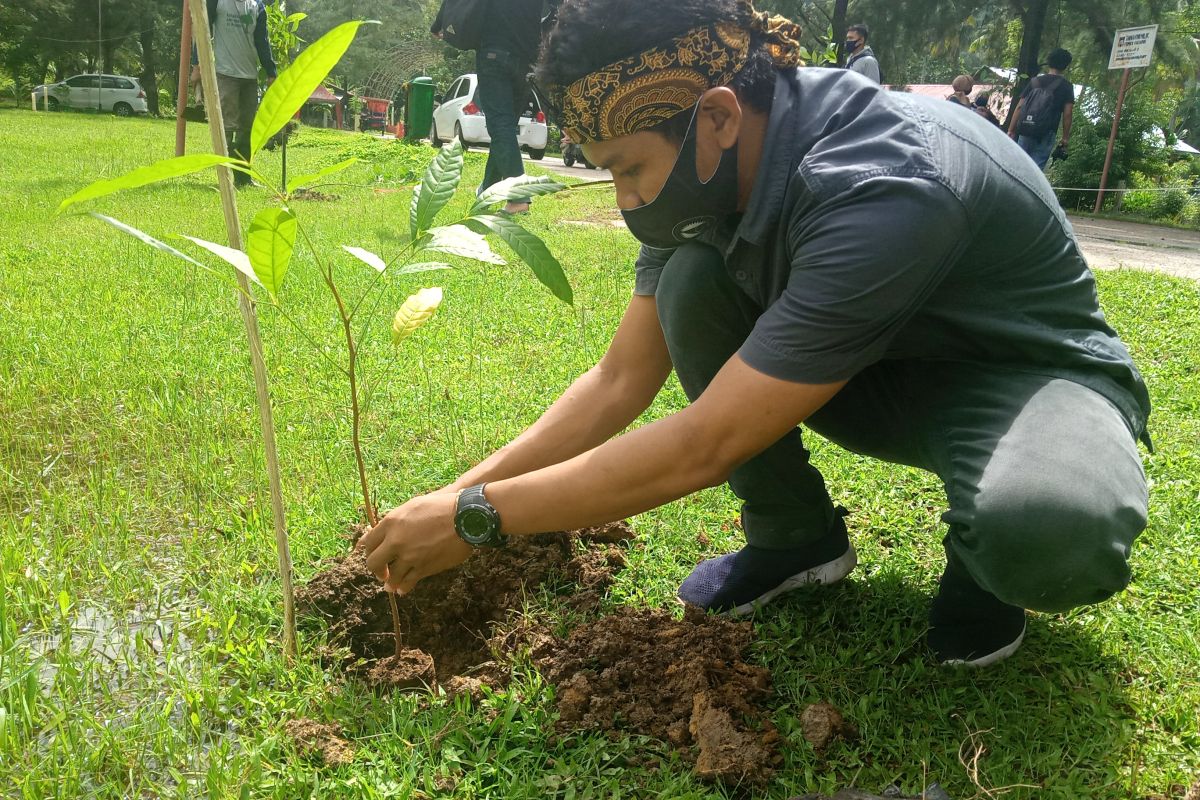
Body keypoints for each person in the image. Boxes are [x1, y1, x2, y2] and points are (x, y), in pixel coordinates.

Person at [360, 0, 1151, 669]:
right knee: (691, 280)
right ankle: (793, 541)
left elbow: (705, 443)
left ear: (716, 116)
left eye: (630, 169)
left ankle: (989, 569)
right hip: (865, 368)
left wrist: (477, 518)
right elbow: (617, 382)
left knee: (1047, 526)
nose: (628, 200)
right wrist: (456, 492)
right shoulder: (708, 173)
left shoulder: (881, 182)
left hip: (1025, 381)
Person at [432, 0, 543, 214]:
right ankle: (489, 190)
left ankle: (519, 197)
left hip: (495, 52)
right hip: (528, 60)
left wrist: (439, 24)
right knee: (505, 129)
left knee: (500, 126)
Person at [203, 0, 276, 188]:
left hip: (249, 77)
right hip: (225, 74)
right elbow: (203, 30)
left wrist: (271, 71)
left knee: (247, 129)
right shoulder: (218, 2)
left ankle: (243, 178)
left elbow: (262, 41)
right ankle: (223, 178)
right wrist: (197, 63)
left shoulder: (257, 6)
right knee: (226, 127)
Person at [1008, 48, 1075, 170]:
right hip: (1047, 132)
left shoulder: (1035, 81)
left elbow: (1019, 107)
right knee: (1035, 170)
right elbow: (1068, 114)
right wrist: (1065, 138)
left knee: (1019, 166)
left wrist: (1011, 129)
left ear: (1049, 62)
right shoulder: (1066, 86)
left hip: (1026, 128)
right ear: (1066, 66)